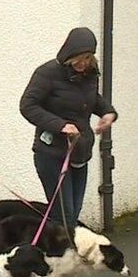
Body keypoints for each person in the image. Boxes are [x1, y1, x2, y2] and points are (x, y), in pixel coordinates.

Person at [20, 27, 117, 227]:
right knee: (62, 213)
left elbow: (91, 99)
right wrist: (61, 125)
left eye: (87, 58)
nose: (82, 64)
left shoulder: (91, 74)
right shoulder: (47, 73)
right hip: (52, 152)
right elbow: (27, 106)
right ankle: (53, 255)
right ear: (68, 55)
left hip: (80, 151)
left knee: (73, 212)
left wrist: (107, 112)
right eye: (78, 59)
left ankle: (64, 255)